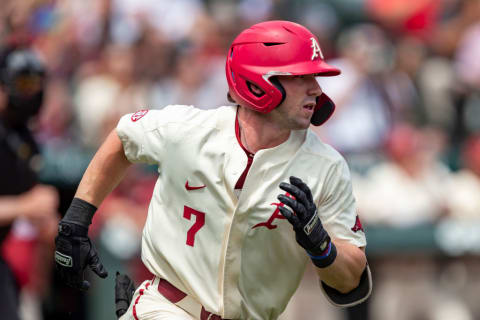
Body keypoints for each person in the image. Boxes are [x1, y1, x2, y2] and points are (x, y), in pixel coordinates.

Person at [54, 20, 371, 320]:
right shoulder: (191, 129)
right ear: (259, 81)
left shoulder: (327, 166)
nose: (316, 89)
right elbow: (124, 138)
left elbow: (350, 278)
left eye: (314, 77)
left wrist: (321, 244)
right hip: (168, 307)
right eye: (300, 77)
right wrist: (77, 219)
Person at [0, 45, 59, 320]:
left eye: (36, 84)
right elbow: (28, 204)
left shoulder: (25, 140)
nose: (31, 93)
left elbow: (37, 213)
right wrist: (27, 205)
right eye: (24, 83)